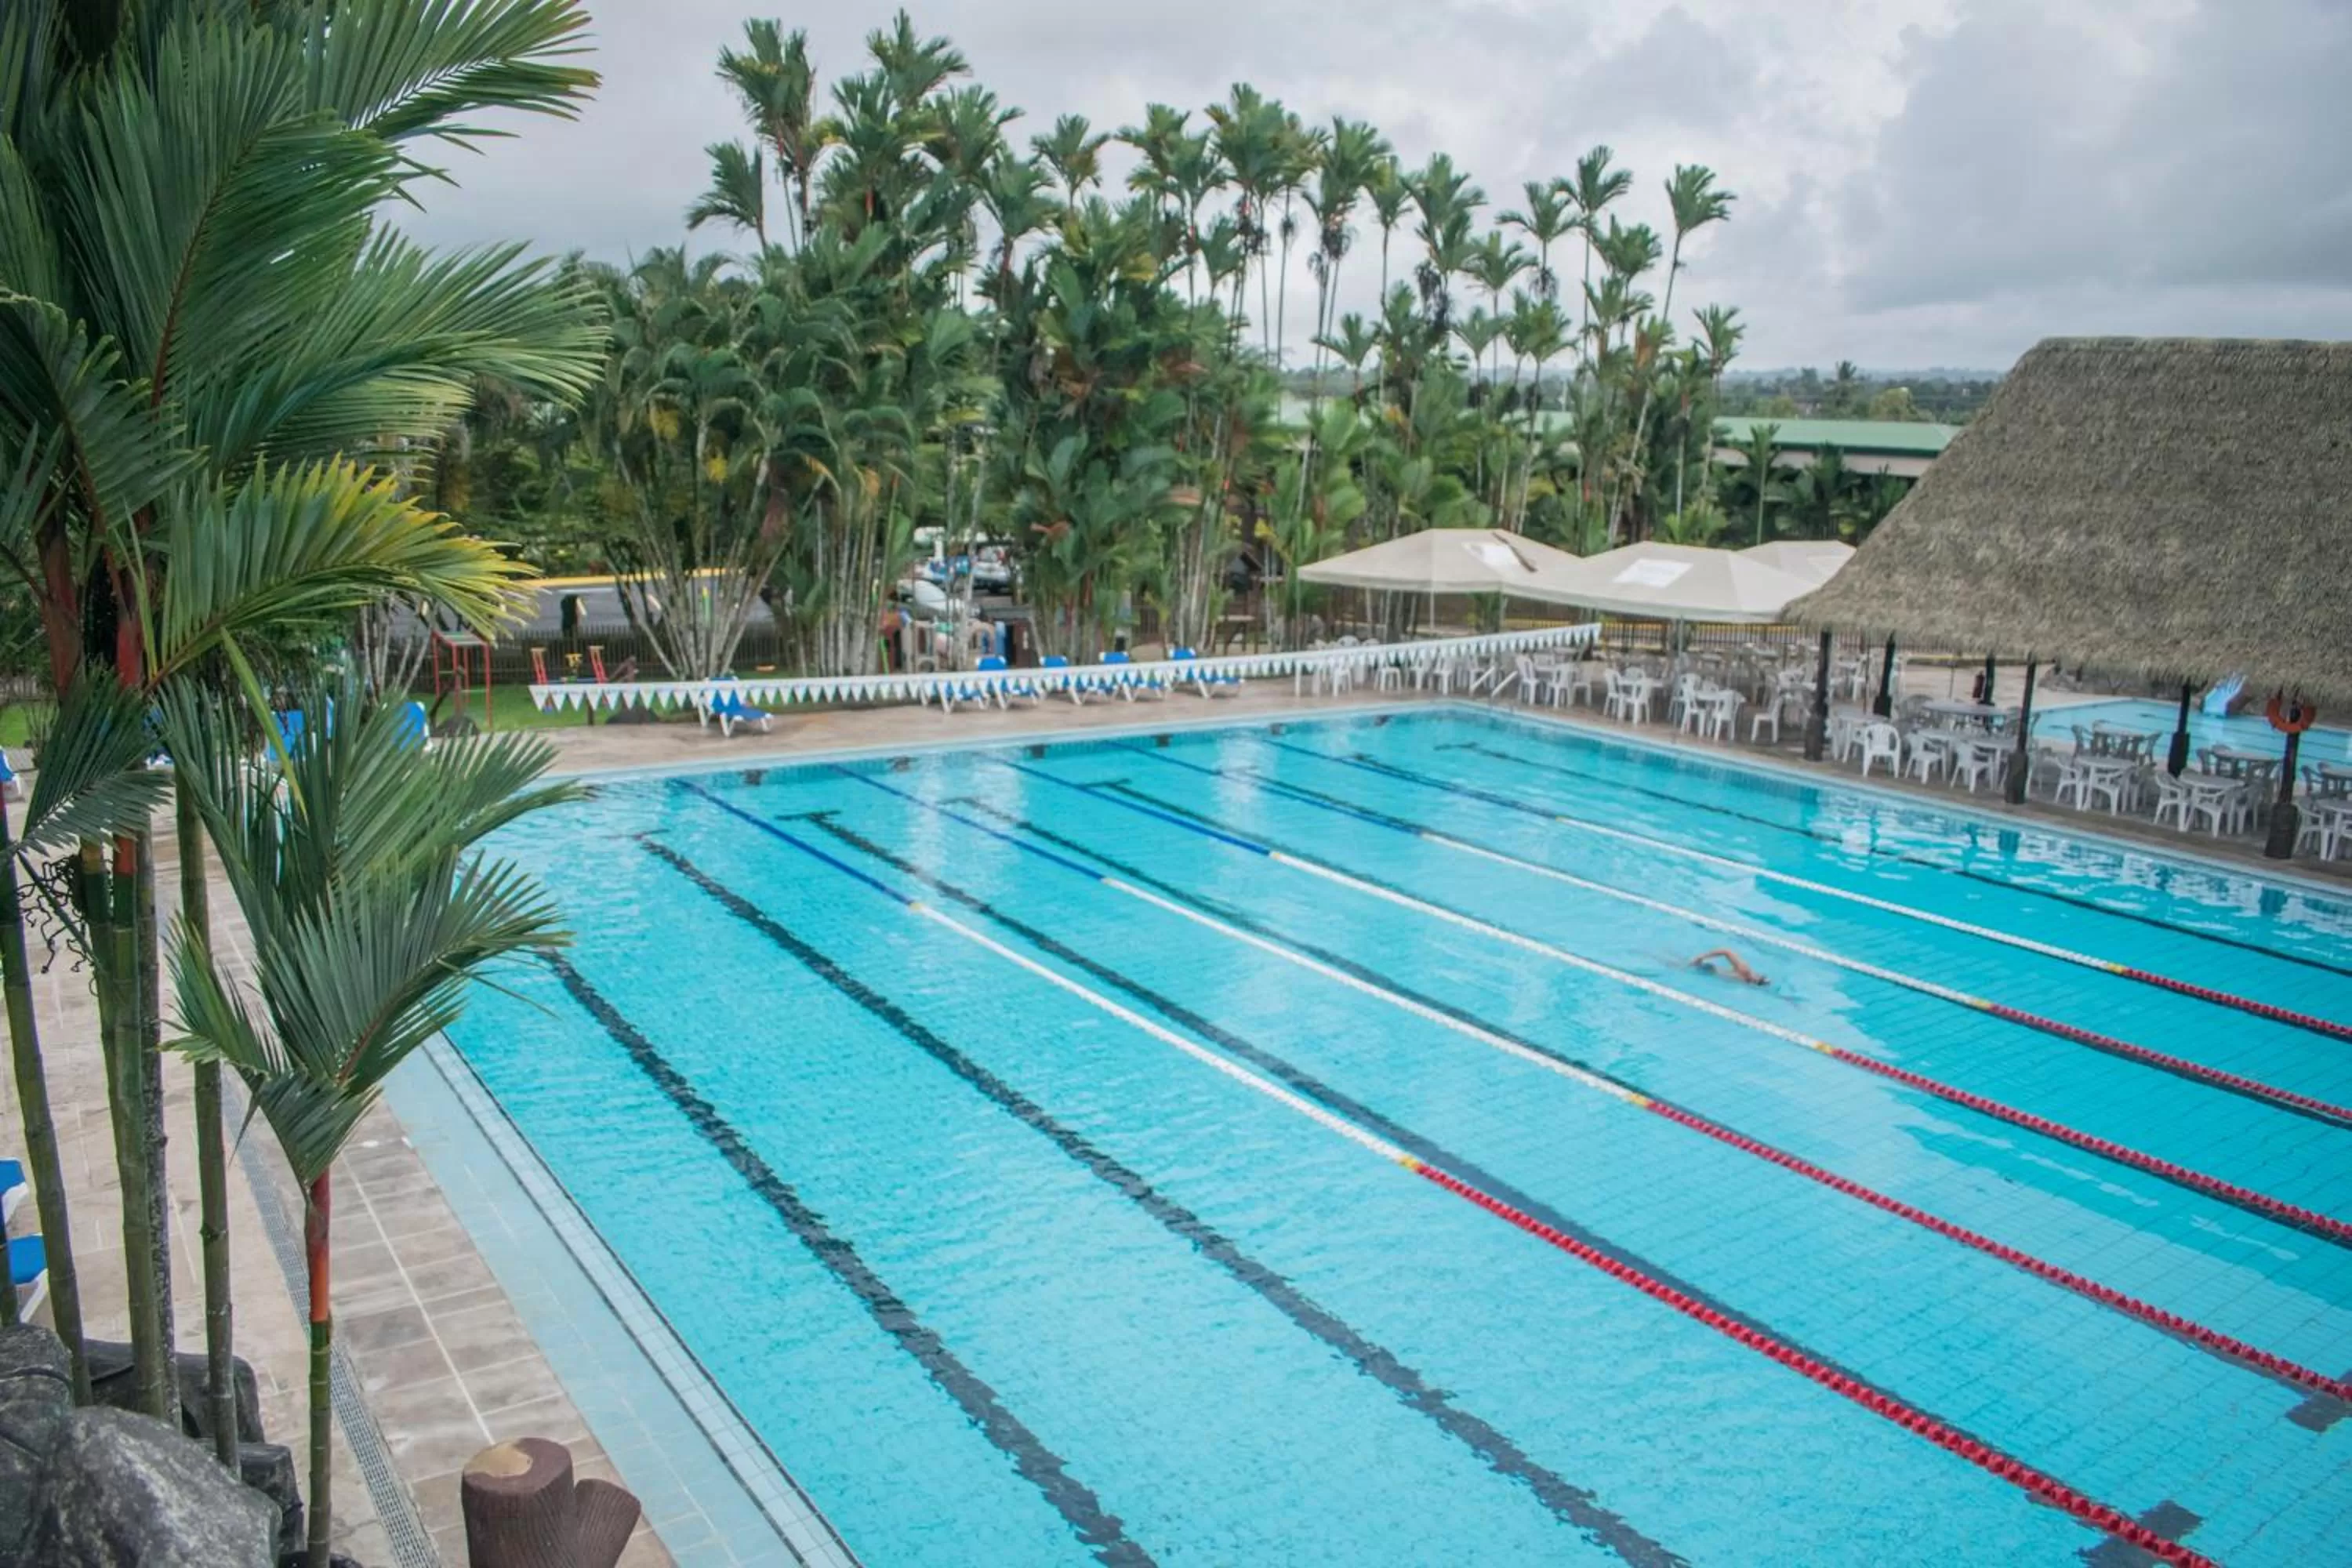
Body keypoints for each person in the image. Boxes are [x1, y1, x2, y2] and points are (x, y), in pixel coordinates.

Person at [1690, 949, 1769, 986]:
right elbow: (1726, 951)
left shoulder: (1745, 982)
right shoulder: (1744, 970)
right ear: (1758, 975)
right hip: (1707, 968)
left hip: (1708, 974)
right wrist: (1702, 957)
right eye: (1757, 978)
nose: (1754, 980)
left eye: (1757, 982)